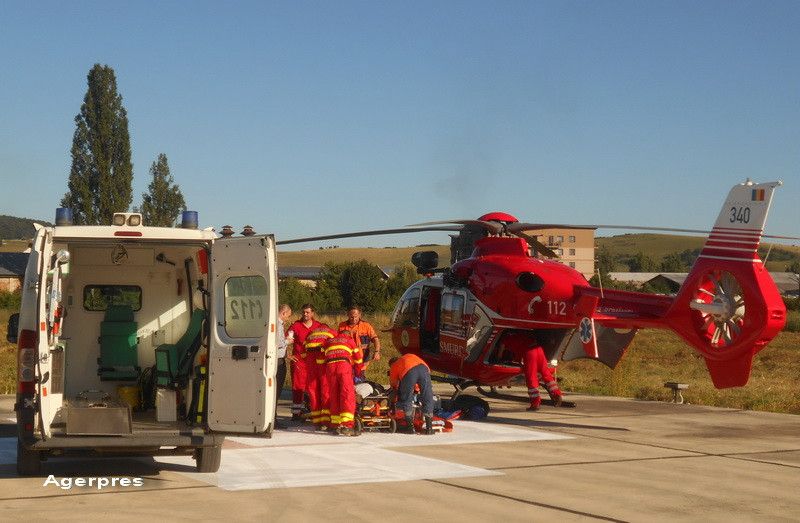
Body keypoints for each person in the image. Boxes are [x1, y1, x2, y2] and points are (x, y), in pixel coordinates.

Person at [497, 331, 562, 411]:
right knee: (546, 373)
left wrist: (498, 357)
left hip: (530, 353)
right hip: (539, 349)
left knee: (531, 377)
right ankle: (557, 394)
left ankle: (535, 404)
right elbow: (520, 352)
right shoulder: (521, 334)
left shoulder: (505, 337)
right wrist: (521, 362)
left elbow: (502, 348)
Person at [323, 329, 363, 436]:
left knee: (334, 395)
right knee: (347, 394)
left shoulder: (328, 342)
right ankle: (347, 425)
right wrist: (359, 374)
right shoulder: (349, 340)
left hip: (330, 368)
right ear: (348, 335)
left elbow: (322, 358)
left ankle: (335, 424)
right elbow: (358, 359)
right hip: (343, 367)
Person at [286, 304, 322, 420]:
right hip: (299, 361)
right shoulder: (296, 326)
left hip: (314, 361)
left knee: (314, 386)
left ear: (312, 313)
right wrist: (288, 355)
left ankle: (313, 410)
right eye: (303, 312)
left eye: (307, 312)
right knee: (298, 387)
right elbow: (285, 340)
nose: (305, 314)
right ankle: (296, 413)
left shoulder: (319, 326)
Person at [388, 354, 434, 435]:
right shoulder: (408, 356)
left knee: (406, 397)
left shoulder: (395, 365)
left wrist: (395, 397)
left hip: (409, 371)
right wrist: (416, 391)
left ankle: (410, 427)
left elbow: (393, 384)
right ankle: (429, 428)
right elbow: (417, 374)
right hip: (424, 368)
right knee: (427, 395)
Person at [303, 324, 336, 430]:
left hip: (311, 363)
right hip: (323, 363)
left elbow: (303, 352)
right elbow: (334, 349)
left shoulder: (311, 333)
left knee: (313, 391)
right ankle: (325, 421)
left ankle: (316, 421)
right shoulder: (332, 332)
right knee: (325, 391)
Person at [274, 304, 292, 429]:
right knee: (276, 390)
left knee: (277, 390)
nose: (288, 319)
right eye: (288, 316)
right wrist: (288, 341)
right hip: (278, 360)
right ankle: (273, 418)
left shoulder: (279, 325)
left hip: (280, 358)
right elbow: (276, 342)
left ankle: (273, 417)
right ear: (284, 313)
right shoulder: (277, 325)